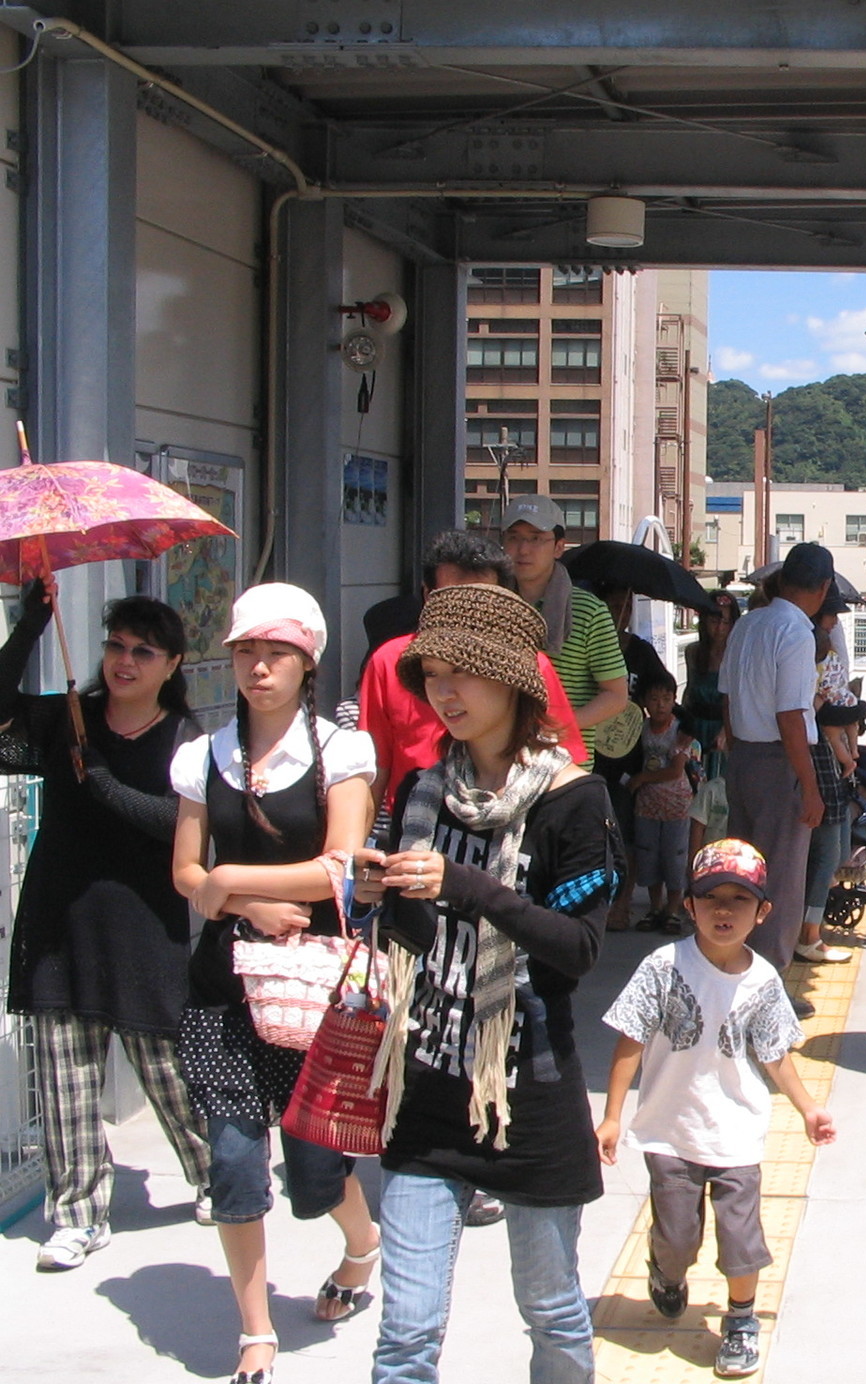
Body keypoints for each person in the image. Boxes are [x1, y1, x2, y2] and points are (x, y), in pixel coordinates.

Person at [354, 582, 623, 1384]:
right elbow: (413, 940)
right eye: (431, 674)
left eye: (462, 674)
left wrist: (468, 889)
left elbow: (576, 950)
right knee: (404, 1336)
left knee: (550, 1312)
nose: (445, 692)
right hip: (427, 1089)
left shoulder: (576, 802)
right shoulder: (417, 791)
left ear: (513, 681)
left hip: (530, 1096)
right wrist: (379, 895)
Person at [169, 583, 380, 1384]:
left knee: (316, 1170)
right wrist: (240, 896)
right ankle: (255, 1328)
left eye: (277, 652)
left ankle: (363, 1245)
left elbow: (340, 869)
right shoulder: (202, 755)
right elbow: (185, 870)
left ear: (307, 662)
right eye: (247, 651)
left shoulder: (341, 752)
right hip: (223, 990)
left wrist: (228, 879)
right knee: (231, 1161)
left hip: (313, 988)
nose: (259, 667)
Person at [1, 581, 212, 1271]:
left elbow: (179, 828)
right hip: (62, 915)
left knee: (168, 1069)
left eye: (142, 651)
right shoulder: (70, 715)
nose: (124, 661)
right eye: (116, 646)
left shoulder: (185, 738)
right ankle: (78, 1212)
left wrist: (104, 784)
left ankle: (216, 1172)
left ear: (171, 663)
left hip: (143, 921)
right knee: (65, 1073)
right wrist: (30, 624)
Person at [597, 838, 835, 1380]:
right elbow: (630, 1041)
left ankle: (741, 1320)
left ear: (763, 911)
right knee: (678, 1235)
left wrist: (807, 1108)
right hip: (670, 1129)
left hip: (737, 1129)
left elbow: (775, 1054)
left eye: (739, 899)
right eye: (711, 899)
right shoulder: (662, 965)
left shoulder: (764, 981)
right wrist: (613, 1115)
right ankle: (667, 1271)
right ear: (689, 906)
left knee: (741, 1234)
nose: (724, 911)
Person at [359, 530, 587, 819]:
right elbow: (374, 769)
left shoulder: (530, 665)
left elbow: (564, 758)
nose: (467, 616)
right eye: (430, 674)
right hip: (416, 825)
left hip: (510, 823)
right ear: (428, 595)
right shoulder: (388, 661)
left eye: (481, 603)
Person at [718, 542, 831, 996]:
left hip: (743, 756)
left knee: (743, 872)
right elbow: (791, 716)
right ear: (823, 588)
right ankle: (769, 991)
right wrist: (810, 785)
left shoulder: (749, 623)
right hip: (780, 761)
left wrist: (735, 753)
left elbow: (726, 698)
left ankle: (733, 973)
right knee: (781, 878)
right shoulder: (796, 632)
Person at [500, 494, 629, 764]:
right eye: (514, 537)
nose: (523, 549)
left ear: (559, 547)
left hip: (566, 766)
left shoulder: (589, 611)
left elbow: (616, 695)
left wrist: (561, 725)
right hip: (500, 761)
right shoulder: (493, 605)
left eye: (536, 538)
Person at [797, 608, 861, 966]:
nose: (835, 620)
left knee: (832, 853)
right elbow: (819, 709)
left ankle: (809, 925)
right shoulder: (807, 655)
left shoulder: (818, 651)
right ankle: (808, 934)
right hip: (817, 756)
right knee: (826, 855)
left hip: (821, 754)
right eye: (831, 614)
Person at [627, 676, 701, 934]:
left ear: (673, 700)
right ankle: (655, 907)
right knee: (648, 853)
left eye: (666, 699)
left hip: (675, 804)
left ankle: (672, 909)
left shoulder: (681, 731)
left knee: (673, 855)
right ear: (645, 703)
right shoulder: (641, 727)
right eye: (654, 699)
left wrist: (641, 779)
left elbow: (674, 770)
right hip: (647, 804)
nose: (660, 705)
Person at [682, 590, 739, 856]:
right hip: (696, 728)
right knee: (691, 796)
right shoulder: (694, 652)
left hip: (723, 729)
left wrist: (726, 731)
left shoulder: (736, 654)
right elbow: (689, 692)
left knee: (717, 800)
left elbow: (738, 698)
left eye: (727, 621)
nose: (720, 628)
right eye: (715, 620)